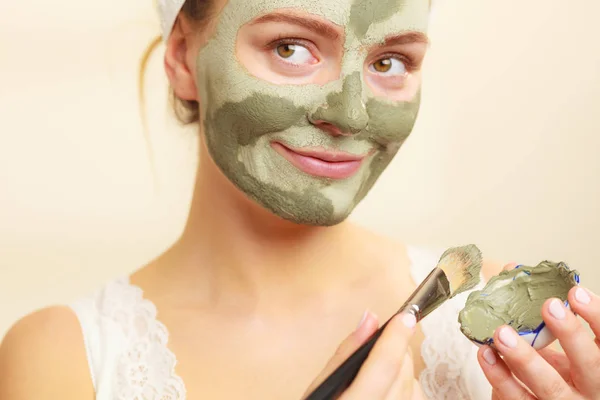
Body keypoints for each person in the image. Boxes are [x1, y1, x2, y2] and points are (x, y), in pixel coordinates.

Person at [2, 0, 600, 399]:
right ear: (182, 55)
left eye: (391, 62)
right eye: (291, 48)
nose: (347, 113)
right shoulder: (63, 361)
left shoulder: (507, 329)